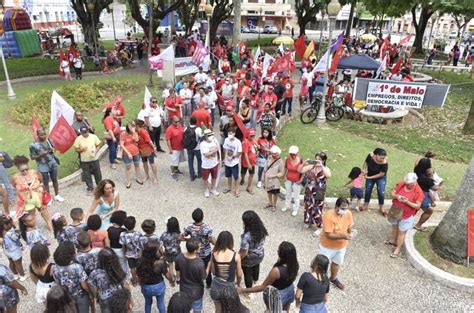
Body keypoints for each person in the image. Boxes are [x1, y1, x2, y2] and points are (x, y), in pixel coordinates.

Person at [238, 241, 298, 312]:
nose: (277, 251)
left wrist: (242, 290)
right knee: (285, 310)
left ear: (282, 255)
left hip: (278, 294)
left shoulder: (277, 271)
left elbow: (262, 287)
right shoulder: (295, 265)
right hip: (290, 289)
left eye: (279, 250)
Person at [319, 197, 353, 290]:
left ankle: (333, 278)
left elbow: (350, 225)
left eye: (346, 209)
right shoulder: (329, 216)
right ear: (336, 207)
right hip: (327, 246)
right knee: (322, 264)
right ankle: (320, 280)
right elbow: (329, 234)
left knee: (337, 263)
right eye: (342, 208)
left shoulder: (348, 213)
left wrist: (350, 231)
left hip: (341, 246)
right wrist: (344, 236)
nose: (344, 211)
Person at [387, 173, 423, 258]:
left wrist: (407, 202)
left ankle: (398, 248)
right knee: (394, 226)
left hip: (406, 214)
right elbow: (392, 193)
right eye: (407, 183)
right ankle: (393, 241)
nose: (407, 185)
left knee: (401, 231)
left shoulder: (418, 192)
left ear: (415, 182)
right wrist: (397, 196)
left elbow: (418, 206)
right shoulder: (401, 184)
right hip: (396, 210)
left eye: (410, 184)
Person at [11, 155, 52, 229]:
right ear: (18, 169)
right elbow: (14, 185)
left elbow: (41, 180)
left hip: (38, 196)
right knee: (31, 214)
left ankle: (50, 224)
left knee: (44, 210)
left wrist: (40, 188)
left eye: (26, 169)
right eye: (22, 170)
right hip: (27, 199)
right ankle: (34, 228)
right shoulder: (15, 177)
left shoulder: (34, 172)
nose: (25, 171)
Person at [208, 231, 243, 313]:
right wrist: (238, 284)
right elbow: (239, 274)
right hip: (229, 288)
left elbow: (213, 272)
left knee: (218, 310)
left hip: (216, 287)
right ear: (231, 241)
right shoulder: (236, 256)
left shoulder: (214, 254)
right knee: (230, 309)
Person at [53, 242, 92, 313]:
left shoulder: (55, 268)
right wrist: (91, 293)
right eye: (74, 250)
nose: (76, 250)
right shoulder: (77, 267)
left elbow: (58, 283)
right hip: (80, 295)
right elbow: (84, 285)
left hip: (67, 297)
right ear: (70, 254)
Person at [88, 248, 129, 312]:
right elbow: (125, 284)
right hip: (119, 297)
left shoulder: (94, 273)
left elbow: (93, 288)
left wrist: (95, 296)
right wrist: (129, 298)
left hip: (104, 298)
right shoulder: (118, 269)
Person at [30, 128, 64, 203]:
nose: (44, 136)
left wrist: (52, 150)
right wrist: (41, 155)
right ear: (38, 135)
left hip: (52, 162)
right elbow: (32, 157)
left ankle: (57, 195)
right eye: (41, 135)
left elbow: (53, 149)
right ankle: (49, 198)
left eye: (45, 134)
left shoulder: (49, 140)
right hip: (43, 165)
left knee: (55, 179)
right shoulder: (33, 145)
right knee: (45, 182)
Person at [137, 240, 173, 313]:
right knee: (160, 303)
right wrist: (171, 267)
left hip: (145, 286)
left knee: (148, 303)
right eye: (159, 249)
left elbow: (139, 276)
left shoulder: (140, 262)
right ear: (155, 252)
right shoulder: (160, 263)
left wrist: (141, 284)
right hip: (158, 286)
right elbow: (168, 277)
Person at [175, 238, 207, 313]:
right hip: (196, 291)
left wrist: (178, 279)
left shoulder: (179, 257)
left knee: (185, 308)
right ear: (195, 250)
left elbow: (177, 271)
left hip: (184, 289)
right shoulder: (199, 263)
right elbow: (203, 277)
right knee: (197, 309)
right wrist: (208, 266)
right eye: (199, 246)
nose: (201, 247)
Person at [239, 210, 268, 288]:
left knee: (247, 272)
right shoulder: (261, 229)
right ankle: (255, 281)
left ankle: (249, 290)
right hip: (260, 254)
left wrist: (238, 259)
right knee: (256, 266)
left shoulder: (246, 236)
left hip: (250, 257)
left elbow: (244, 252)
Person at [74, 126, 102, 193]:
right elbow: (76, 149)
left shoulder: (93, 136)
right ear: (81, 132)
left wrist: (96, 151)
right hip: (84, 160)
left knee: (97, 173)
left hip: (94, 159)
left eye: (86, 132)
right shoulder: (78, 139)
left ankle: (100, 186)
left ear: (88, 131)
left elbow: (98, 145)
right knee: (87, 174)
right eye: (83, 133)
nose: (85, 134)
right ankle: (90, 187)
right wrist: (81, 149)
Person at [362, 148, 388, 215]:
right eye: (381, 158)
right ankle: (365, 205)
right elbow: (366, 162)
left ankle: (381, 208)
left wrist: (369, 177)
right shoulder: (370, 156)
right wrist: (364, 170)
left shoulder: (384, 163)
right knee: (368, 190)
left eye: (383, 158)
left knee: (381, 192)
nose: (382, 159)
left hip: (380, 177)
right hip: (370, 174)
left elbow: (381, 174)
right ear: (376, 155)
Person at [120, 216, 142, 286]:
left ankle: (135, 281)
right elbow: (141, 244)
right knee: (139, 267)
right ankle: (140, 281)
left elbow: (123, 245)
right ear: (135, 224)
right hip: (138, 254)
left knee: (132, 268)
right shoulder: (138, 234)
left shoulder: (123, 234)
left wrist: (124, 252)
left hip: (129, 254)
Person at [120, 122, 143, 189]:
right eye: (131, 127)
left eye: (133, 127)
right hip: (127, 153)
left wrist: (134, 132)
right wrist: (128, 153)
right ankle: (129, 181)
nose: (133, 128)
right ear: (128, 128)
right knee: (128, 167)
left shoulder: (134, 132)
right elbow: (122, 145)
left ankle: (138, 178)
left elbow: (137, 140)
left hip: (135, 151)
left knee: (137, 165)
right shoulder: (123, 134)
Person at [282, 146, 303, 216]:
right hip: (288, 179)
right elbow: (285, 167)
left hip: (296, 181)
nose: (293, 156)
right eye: (291, 154)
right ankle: (287, 205)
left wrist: (301, 180)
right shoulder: (288, 159)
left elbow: (303, 171)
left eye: (294, 154)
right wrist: (284, 176)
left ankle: (295, 209)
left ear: (297, 153)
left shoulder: (301, 160)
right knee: (288, 194)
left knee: (296, 196)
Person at [135, 120, 158, 184]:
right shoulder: (136, 132)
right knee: (144, 163)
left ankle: (155, 177)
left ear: (137, 125)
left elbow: (149, 141)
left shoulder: (143, 132)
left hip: (148, 149)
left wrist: (154, 148)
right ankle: (147, 175)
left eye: (134, 125)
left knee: (152, 163)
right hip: (142, 150)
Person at [200, 129, 221, 198]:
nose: (211, 136)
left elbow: (218, 151)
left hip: (214, 163)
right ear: (205, 136)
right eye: (209, 135)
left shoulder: (214, 141)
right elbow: (206, 154)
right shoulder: (203, 144)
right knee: (205, 178)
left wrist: (219, 159)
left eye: (211, 134)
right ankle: (206, 190)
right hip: (206, 165)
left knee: (214, 177)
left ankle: (213, 189)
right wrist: (214, 150)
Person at [263, 146, 284, 212]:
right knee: (269, 191)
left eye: (276, 154)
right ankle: (270, 202)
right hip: (268, 179)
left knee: (275, 193)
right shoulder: (269, 158)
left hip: (275, 180)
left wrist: (275, 176)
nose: (275, 155)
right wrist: (264, 177)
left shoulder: (280, 161)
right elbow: (265, 168)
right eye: (274, 154)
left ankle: (274, 205)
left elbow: (282, 172)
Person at [222, 128, 242, 197]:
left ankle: (237, 190)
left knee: (236, 177)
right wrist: (224, 158)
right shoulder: (226, 140)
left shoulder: (238, 142)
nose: (229, 135)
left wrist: (233, 156)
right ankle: (229, 187)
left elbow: (239, 152)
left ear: (234, 133)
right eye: (228, 133)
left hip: (234, 163)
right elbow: (224, 149)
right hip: (227, 162)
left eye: (231, 133)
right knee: (228, 176)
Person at [184, 117, 203, 181]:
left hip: (189, 147)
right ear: (196, 122)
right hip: (197, 148)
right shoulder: (198, 129)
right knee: (199, 161)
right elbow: (201, 138)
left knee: (190, 161)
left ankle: (192, 175)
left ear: (190, 121)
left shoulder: (186, 128)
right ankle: (200, 173)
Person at [241, 129, 258, 195]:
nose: (252, 137)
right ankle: (242, 179)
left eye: (253, 135)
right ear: (248, 135)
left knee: (251, 174)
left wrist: (254, 141)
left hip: (252, 162)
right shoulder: (245, 142)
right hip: (246, 162)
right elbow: (245, 154)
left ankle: (249, 187)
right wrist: (248, 164)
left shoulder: (253, 140)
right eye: (251, 136)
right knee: (243, 173)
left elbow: (257, 147)